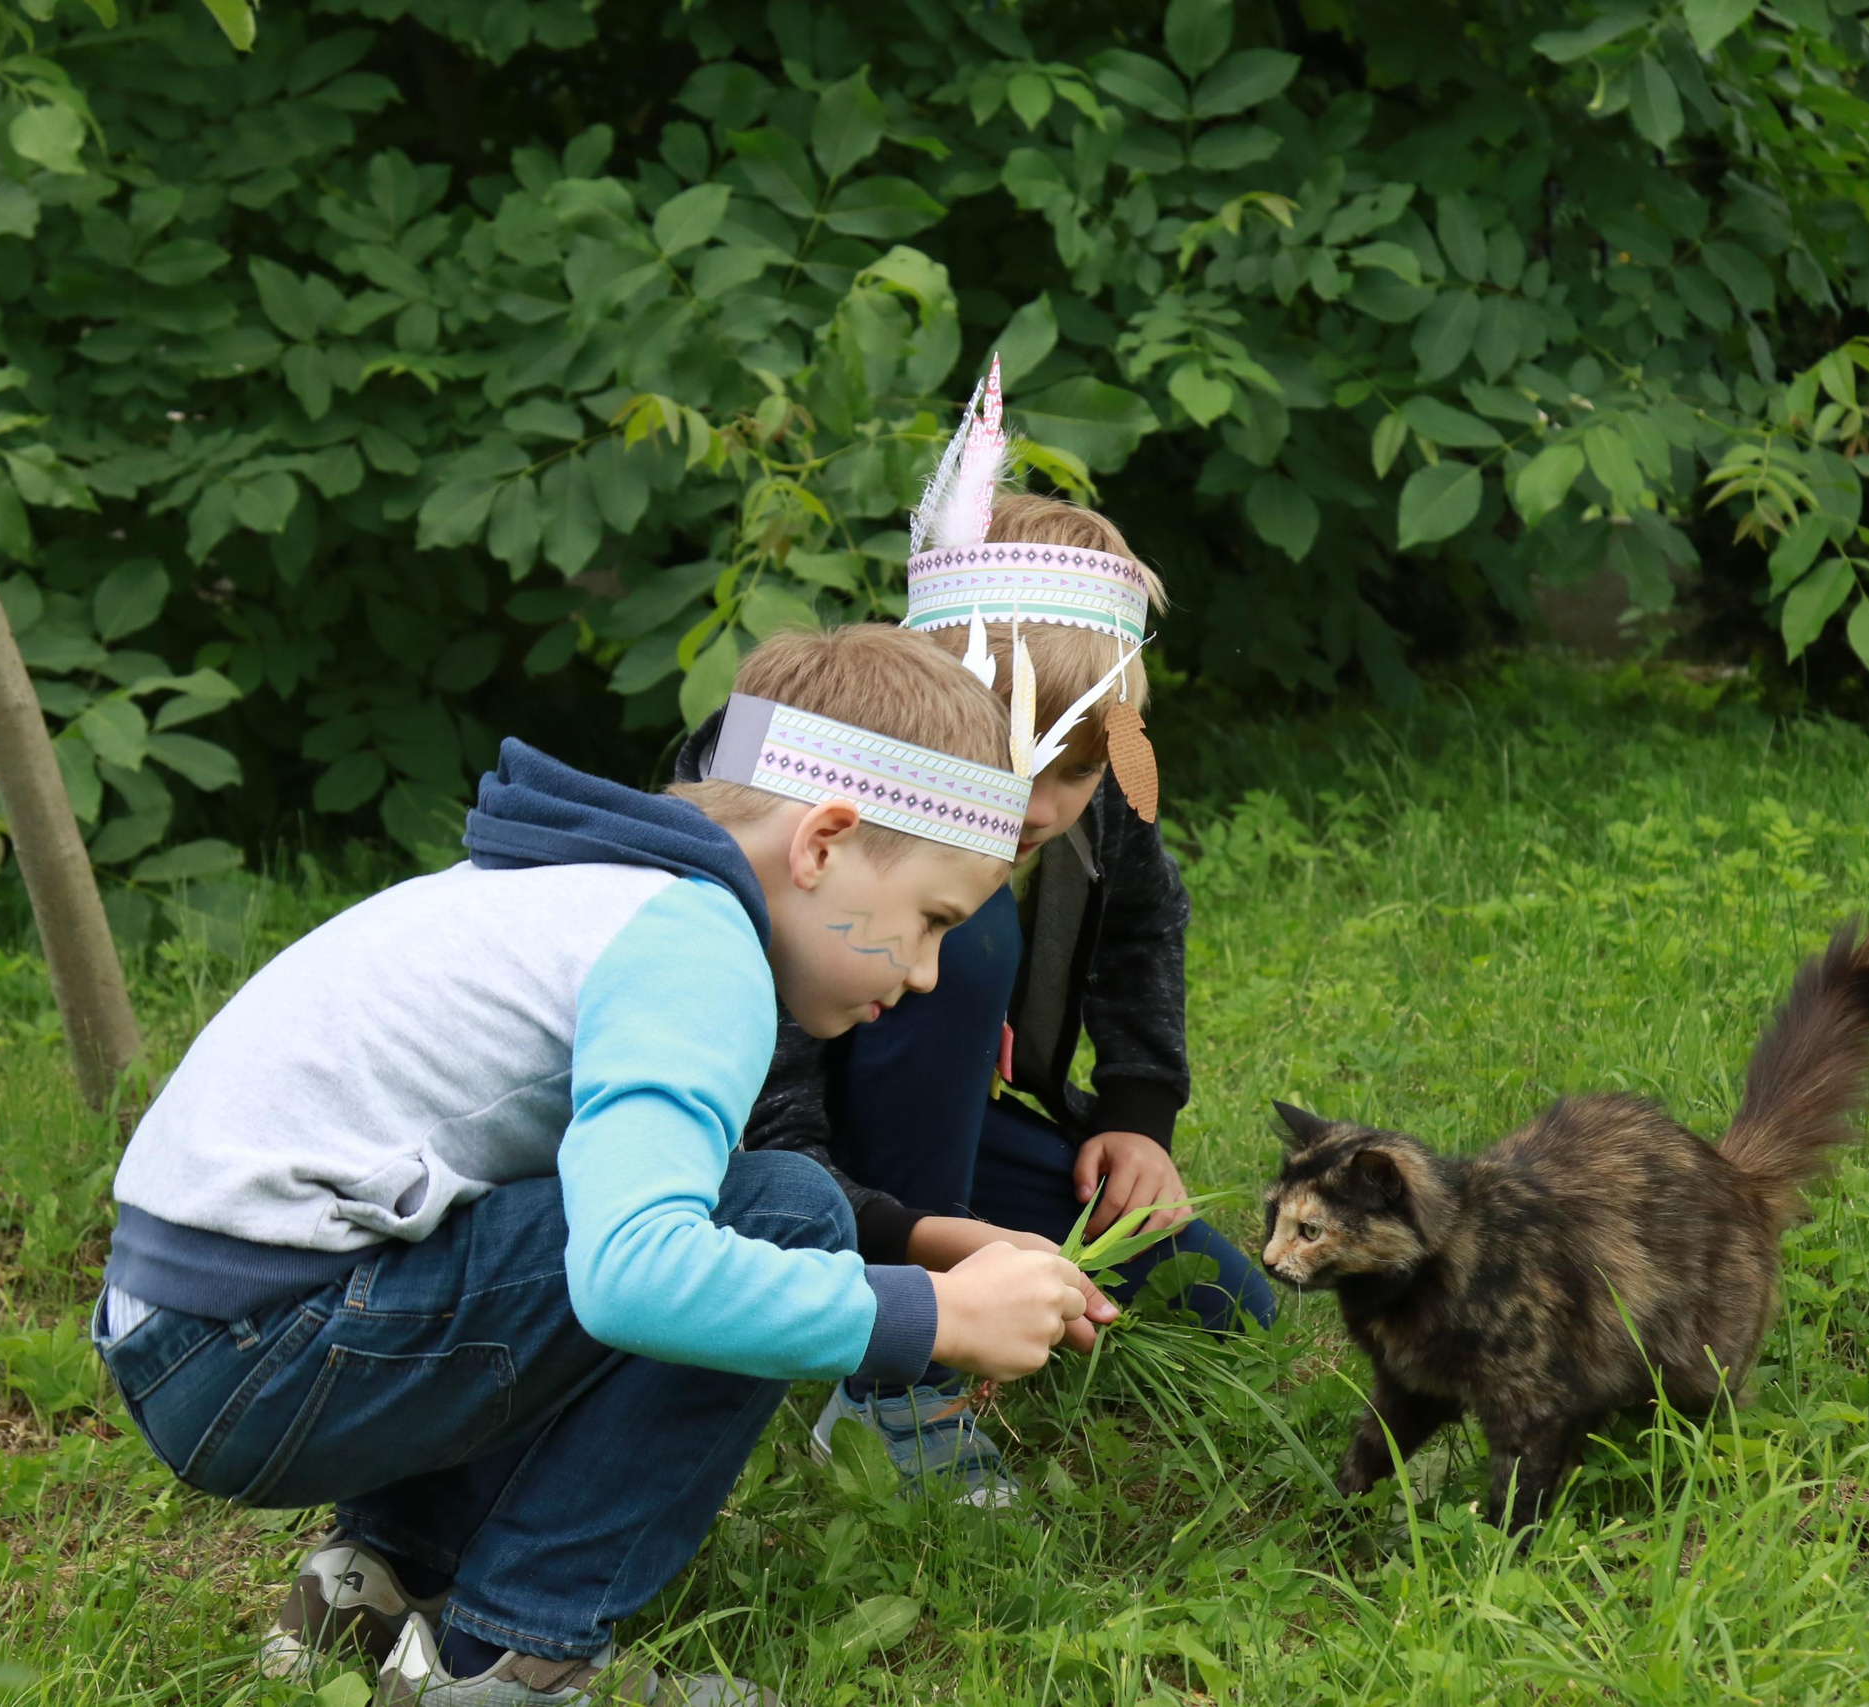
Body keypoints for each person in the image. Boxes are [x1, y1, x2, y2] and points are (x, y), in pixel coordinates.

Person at [91, 624, 1110, 1707]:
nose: (922, 973)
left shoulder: (603, 885)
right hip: (257, 1354)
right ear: (823, 843)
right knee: (776, 1218)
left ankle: (389, 1582)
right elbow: (638, 1273)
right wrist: (931, 1317)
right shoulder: (694, 949)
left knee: (699, 1205)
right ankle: (521, 1663)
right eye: (930, 922)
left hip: (193, 1332)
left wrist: (909, 1253)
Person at [677, 365, 1276, 1509]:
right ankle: (897, 1385)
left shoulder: (1089, 805)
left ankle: (956, 1277)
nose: (1046, 806)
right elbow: (762, 1088)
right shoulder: (792, 797)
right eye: (1021, 763)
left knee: (1215, 1304)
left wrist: (1140, 1115)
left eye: (1083, 768)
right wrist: (914, 1268)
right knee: (979, 938)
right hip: (762, 1159)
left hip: (936, 1132)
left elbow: (1145, 923)